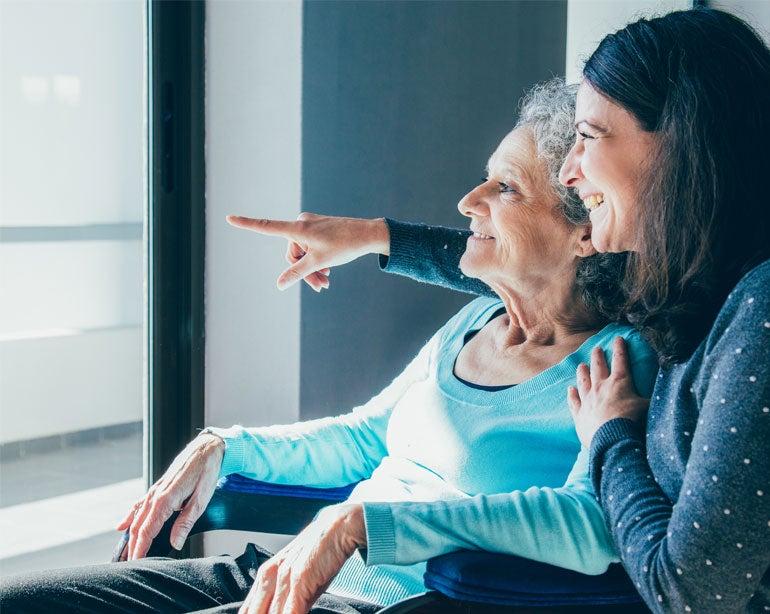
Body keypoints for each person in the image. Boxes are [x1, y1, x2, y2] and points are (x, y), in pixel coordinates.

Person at [0, 80, 658, 614]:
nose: (468, 201)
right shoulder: (473, 325)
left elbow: (587, 522)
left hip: (378, 603)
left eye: (505, 188)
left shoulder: (616, 363)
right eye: (484, 180)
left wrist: (365, 524)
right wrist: (225, 444)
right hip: (287, 574)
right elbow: (363, 439)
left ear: (585, 228)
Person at [239, 8, 770, 613]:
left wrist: (610, 437)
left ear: (679, 143)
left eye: (591, 138)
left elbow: (693, 593)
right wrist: (375, 236)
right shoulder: (687, 296)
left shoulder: (754, 313)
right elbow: (540, 268)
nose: (573, 171)